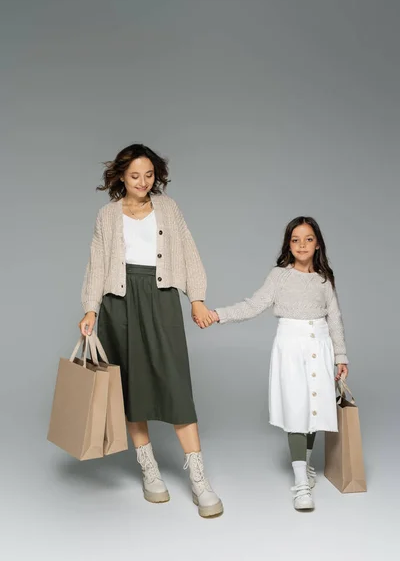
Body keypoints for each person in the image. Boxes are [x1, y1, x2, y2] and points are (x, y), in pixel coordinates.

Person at [78, 143, 223, 518]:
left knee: (176, 385)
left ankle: (199, 479)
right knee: (132, 387)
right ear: (121, 177)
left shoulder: (169, 208)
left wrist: (197, 298)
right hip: (119, 303)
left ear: (156, 175)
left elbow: (188, 251)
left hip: (160, 298)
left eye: (149, 175)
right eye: (134, 175)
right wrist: (90, 309)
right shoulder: (107, 216)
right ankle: (149, 469)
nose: (143, 182)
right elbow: (97, 264)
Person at [206, 217, 349, 511]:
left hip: (320, 344)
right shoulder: (279, 276)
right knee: (297, 408)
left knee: (314, 408)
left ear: (318, 243)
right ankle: (300, 484)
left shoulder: (324, 279)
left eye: (308, 239)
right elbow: (253, 305)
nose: (302, 245)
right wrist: (218, 314)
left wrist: (340, 356)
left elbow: (334, 318)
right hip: (292, 346)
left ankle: (306, 465)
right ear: (288, 244)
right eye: (295, 239)